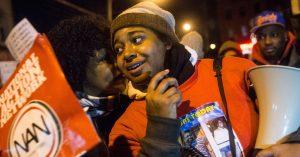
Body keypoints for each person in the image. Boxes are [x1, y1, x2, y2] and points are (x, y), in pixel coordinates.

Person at [108, 2, 300, 157]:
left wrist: (295, 146)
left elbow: (290, 115)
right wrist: (159, 127)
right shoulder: (125, 129)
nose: (127, 54)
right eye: (118, 49)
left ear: (166, 41)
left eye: (137, 39)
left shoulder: (234, 70)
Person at [47, 15, 129, 145]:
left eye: (116, 53)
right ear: (77, 66)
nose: (117, 64)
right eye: (102, 59)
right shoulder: (59, 125)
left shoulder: (133, 108)